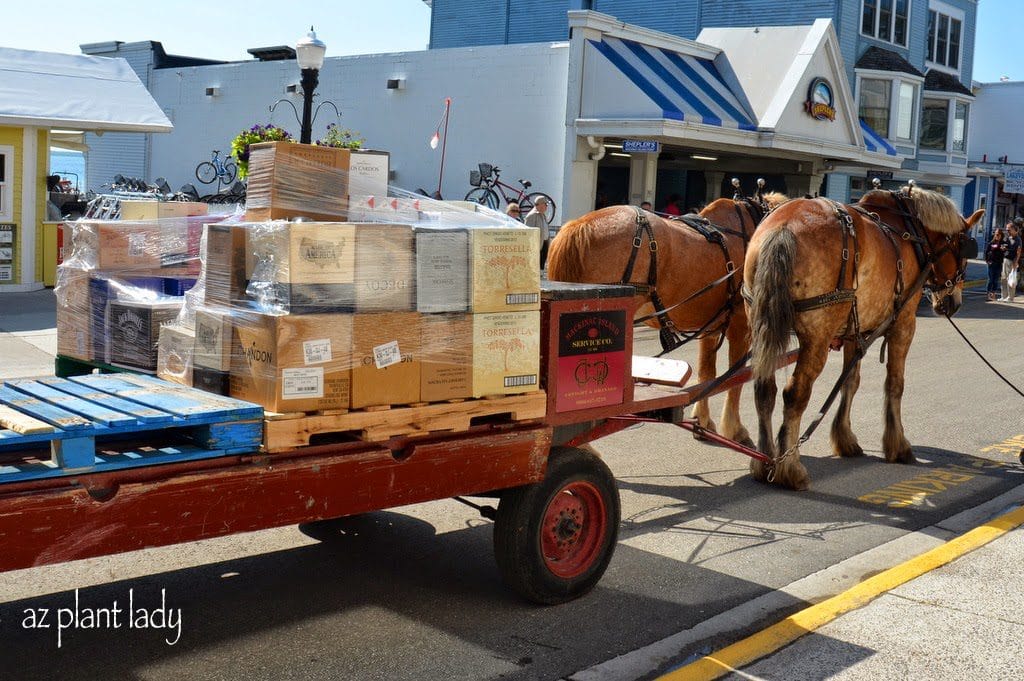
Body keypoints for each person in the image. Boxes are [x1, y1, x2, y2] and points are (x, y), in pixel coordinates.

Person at [523, 196, 550, 269]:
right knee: (536, 267)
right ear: (541, 204)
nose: (547, 207)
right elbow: (528, 234)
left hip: (543, 244)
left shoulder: (542, 215)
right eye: (546, 204)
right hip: (536, 247)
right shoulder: (532, 216)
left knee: (541, 266)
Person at [999, 221, 1021, 302]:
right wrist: (1002, 247)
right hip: (1005, 260)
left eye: (1009, 230)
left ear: (1015, 230)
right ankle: (1003, 296)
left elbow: (1018, 251)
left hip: (1012, 260)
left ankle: (1010, 297)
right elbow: (1004, 245)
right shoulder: (1007, 238)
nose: (1007, 231)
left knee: (1010, 279)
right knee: (1003, 278)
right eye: (1007, 229)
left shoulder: (1017, 239)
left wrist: (1016, 262)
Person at [984, 227, 1005, 301]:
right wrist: (987, 261)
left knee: (995, 280)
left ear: (1001, 235)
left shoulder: (1003, 243)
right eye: (996, 234)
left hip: (999, 264)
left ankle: (993, 294)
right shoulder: (991, 243)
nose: (997, 236)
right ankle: (988, 295)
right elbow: (986, 252)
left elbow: (1004, 252)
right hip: (991, 263)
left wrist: (1003, 249)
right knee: (990, 280)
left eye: (998, 234)